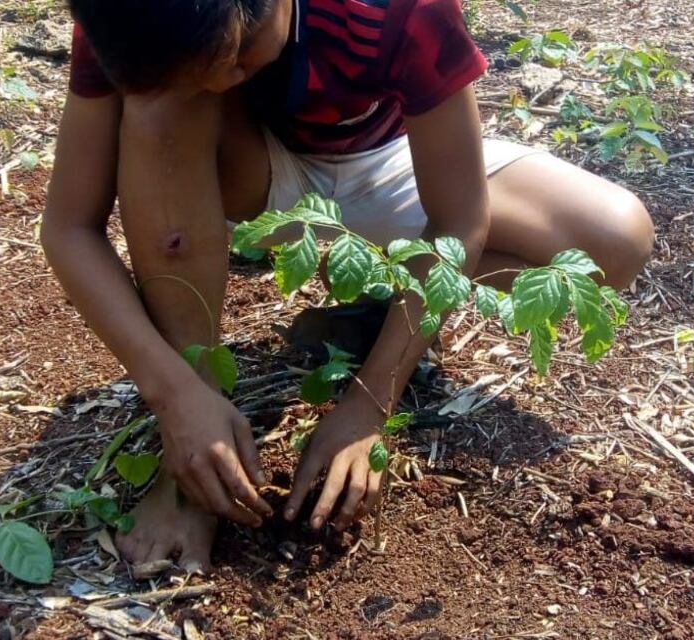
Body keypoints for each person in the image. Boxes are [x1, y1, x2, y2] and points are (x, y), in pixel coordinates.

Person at [41, 0, 654, 571]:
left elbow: (460, 222)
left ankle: (376, 302)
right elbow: (69, 227)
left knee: (613, 244)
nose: (227, 79)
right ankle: (193, 473)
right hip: (241, 168)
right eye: (205, 68)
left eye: (240, 53)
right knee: (162, 106)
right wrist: (176, 397)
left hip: (389, 157)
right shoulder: (134, 14)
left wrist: (368, 405)